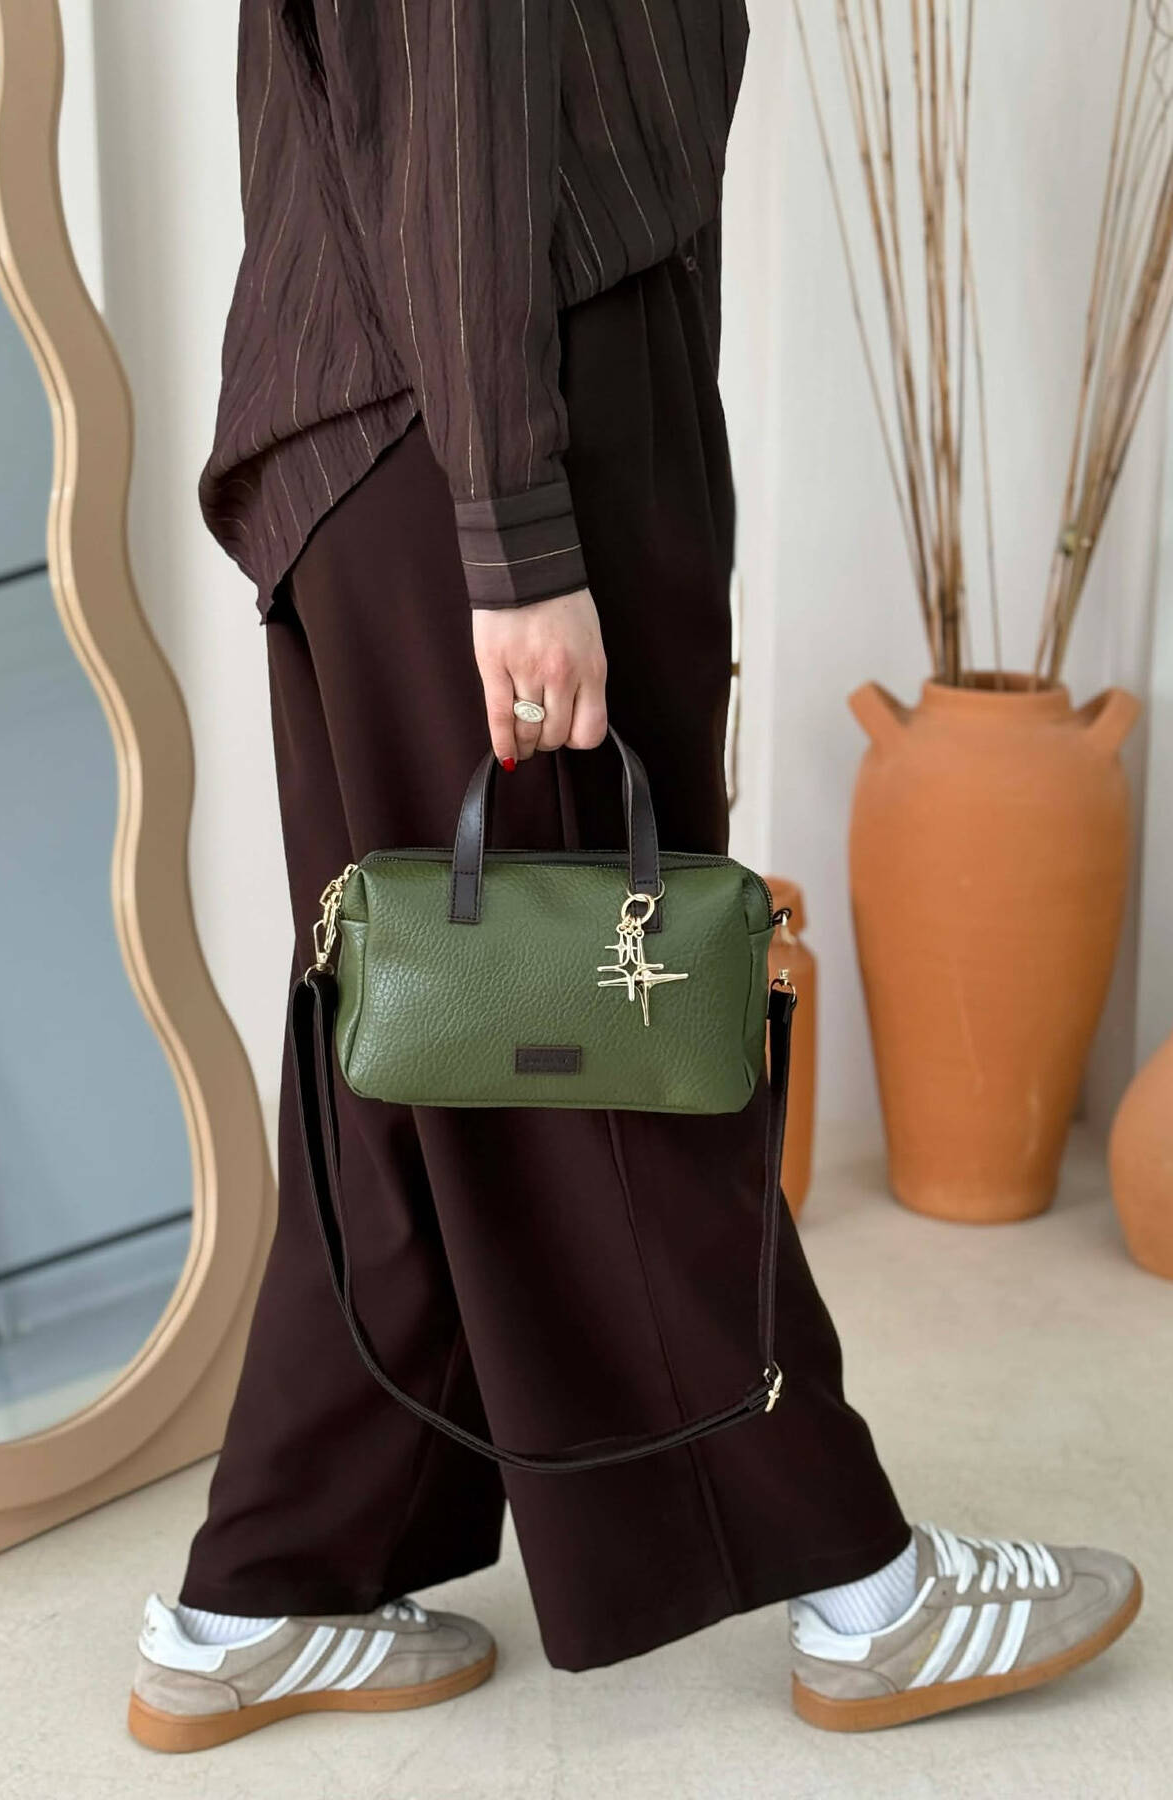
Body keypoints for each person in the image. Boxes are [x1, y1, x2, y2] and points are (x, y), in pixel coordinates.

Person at [126, 1, 1140, 1754]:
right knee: (608, 1018)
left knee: (421, 1037)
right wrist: (516, 532)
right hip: (487, 404)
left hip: (379, 407)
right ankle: (863, 1590)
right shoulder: (500, 461)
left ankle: (270, 1590)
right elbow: (461, 69)